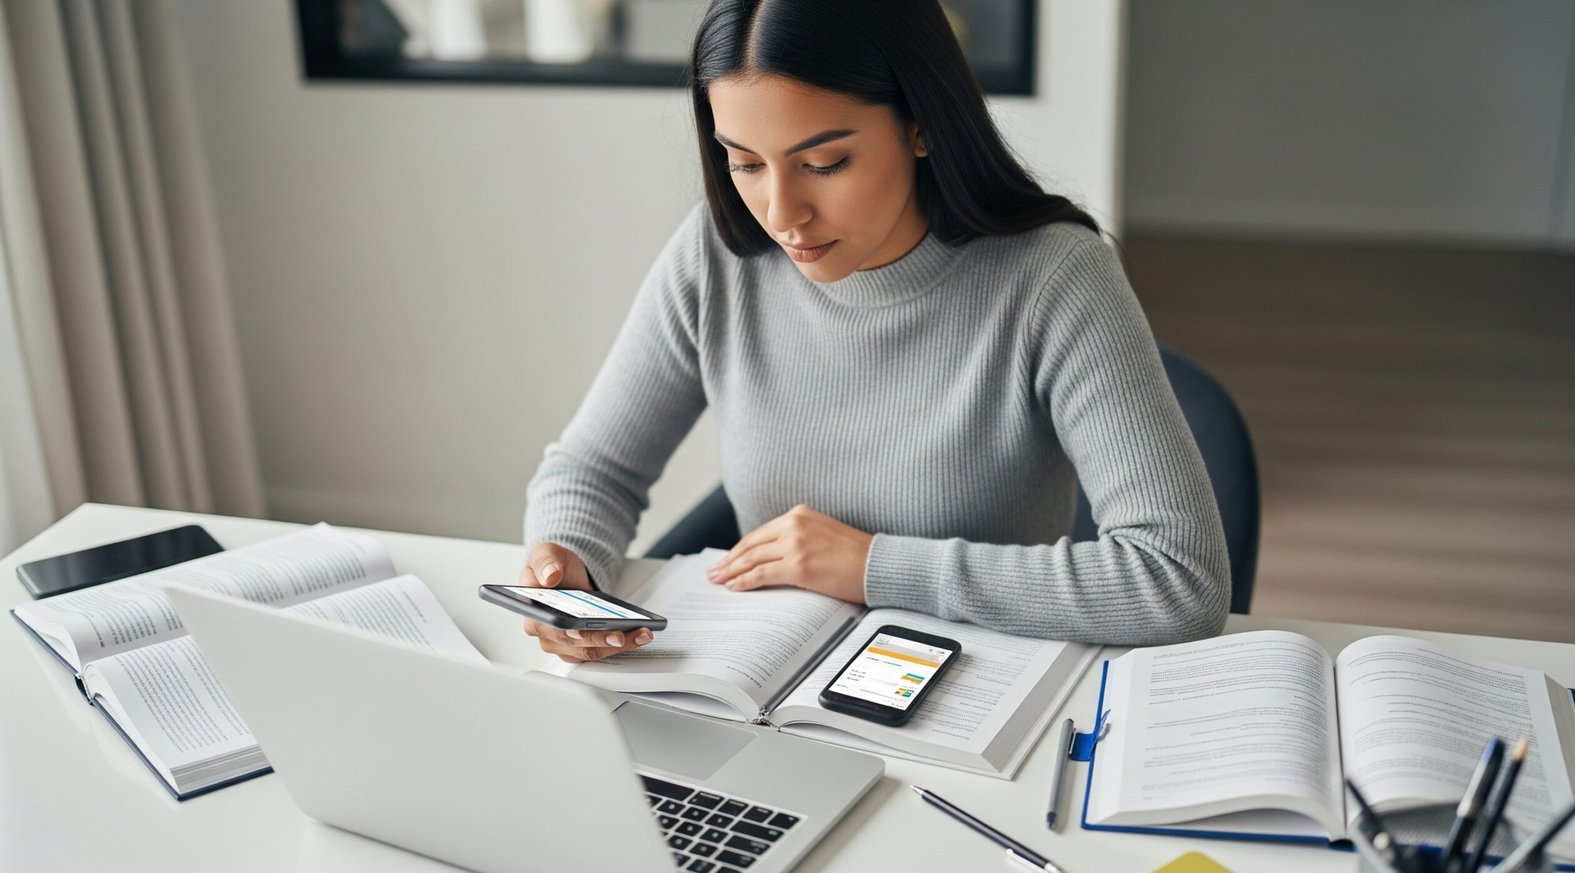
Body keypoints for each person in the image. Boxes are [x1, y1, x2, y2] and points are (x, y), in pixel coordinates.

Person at [519, 0, 1229, 664]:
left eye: (823, 163)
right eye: (745, 162)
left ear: (920, 124)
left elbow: (1178, 577)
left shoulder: (1054, 278)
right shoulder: (718, 255)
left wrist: (873, 567)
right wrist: (565, 559)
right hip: (775, 680)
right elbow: (594, 468)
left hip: (981, 690)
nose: (782, 213)